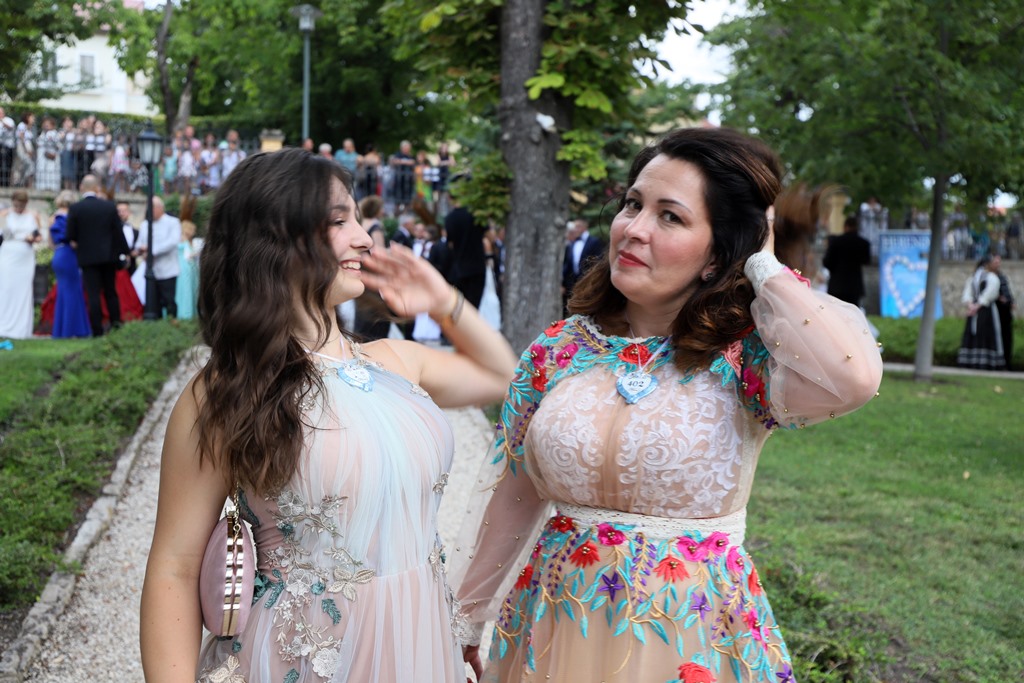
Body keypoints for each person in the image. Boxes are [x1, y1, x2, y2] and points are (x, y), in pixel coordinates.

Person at [449, 127, 884, 683]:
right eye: (632, 204)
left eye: (670, 216)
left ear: (717, 254)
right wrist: (467, 618)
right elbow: (516, 489)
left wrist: (761, 263)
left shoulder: (747, 359)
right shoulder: (558, 349)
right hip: (555, 623)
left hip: (692, 632)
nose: (633, 228)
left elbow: (853, 377)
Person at [139, 147, 517, 683]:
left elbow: (503, 377)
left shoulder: (394, 360)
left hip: (419, 646)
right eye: (339, 221)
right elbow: (174, 568)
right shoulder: (227, 390)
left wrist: (442, 300)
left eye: (358, 220)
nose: (364, 238)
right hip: (299, 658)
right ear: (274, 238)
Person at [66, 175, 129, 337]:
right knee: (110, 292)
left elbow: (70, 235)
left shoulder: (76, 208)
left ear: (82, 188)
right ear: (97, 188)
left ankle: (97, 330)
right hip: (108, 257)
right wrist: (125, 252)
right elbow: (118, 232)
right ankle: (116, 326)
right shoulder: (109, 207)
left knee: (93, 294)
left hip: (87, 258)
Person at [0, 190, 44, 338]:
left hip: (25, 256)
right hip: (8, 254)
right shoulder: (4, 214)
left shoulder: (33, 215)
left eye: (21, 205)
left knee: (23, 290)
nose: (18, 208)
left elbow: (39, 237)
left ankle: (22, 329)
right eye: (16, 205)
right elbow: (3, 235)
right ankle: (4, 326)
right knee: (6, 288)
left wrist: (32, 238)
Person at [48, 190, 92, 338]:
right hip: (70, 255)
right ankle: (72, 330)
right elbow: (74, 241)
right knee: (73, 292)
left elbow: (50, 244)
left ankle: (62, 330)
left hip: (59, 254)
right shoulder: (72, 217)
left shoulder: (53, 217)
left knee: (63, 292)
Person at [136, 196, 182, 319]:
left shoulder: (173, 222)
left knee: (169, 301)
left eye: (153, 207)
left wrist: (151, 251)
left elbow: (173, 242)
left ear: (160, 208)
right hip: (151, 271)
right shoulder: (145, 224)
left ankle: (172, 323)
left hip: (168, 270)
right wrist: (141, 250)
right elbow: (139, 243)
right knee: (153, 303)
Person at [957, 255, 1006, 370]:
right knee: (982, 334)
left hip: (978, 308)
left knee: (979, 333)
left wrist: (972, 306)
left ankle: (973, 361)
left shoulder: (974, 277)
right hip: (985, 309)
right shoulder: (990, 277)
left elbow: (969, 293)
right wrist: (976, 305)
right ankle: (983, 362)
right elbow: (989, 294)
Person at [823, 215, 872, 306]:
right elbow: (866, 261)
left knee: (836, 311)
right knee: (852, 311)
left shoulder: (836, 242)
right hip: (854, 286)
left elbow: (827, 262)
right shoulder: (863, 243)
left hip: (837, 285)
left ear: (845, 227)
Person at [561, 217, 604, 313]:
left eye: (577, 226)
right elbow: (567, 264)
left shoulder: (594, 242)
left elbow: (598, 262)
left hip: (588, 281)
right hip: (571, 283)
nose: (575, 229)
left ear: (584, 227)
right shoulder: (572, 242)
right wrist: (563, 283)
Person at [991, 255, 1015, 370]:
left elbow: (1008, 291)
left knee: (1007, 338)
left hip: (1006, 312)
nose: (998, 264)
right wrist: (999, 298)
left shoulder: (1002, 277)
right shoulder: (990, 277)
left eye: (998, 262)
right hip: (997, 311)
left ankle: (1007, 362)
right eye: (995, 262)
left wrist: (1011, 301)